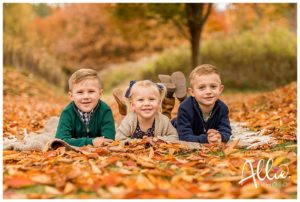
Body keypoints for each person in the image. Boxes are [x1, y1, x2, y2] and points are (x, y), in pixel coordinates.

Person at [172, 64, 232, 144]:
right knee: (166, 124)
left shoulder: (223, 108)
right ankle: (168, 95)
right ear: (192, 92)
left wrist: (219, 137)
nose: (208, 92)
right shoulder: (184, 108)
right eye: (201, 88)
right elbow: (184, 136)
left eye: (213, 86)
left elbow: (226, 131)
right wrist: (206, 139)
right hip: (178, 125)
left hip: (202, 130)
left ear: (220, 89)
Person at [55, 68, 115, 147]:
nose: (86, 96)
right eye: (80, 92)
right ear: (71, 96)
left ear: (100, 93)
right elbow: (61, 140)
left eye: (91, 91)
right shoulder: (67, 112)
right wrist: (91, 141)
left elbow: (109, 139)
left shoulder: (105, 110)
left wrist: (74, 141)